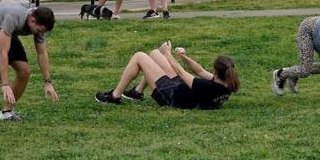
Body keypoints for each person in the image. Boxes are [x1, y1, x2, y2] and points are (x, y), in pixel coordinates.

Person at [0, 1, 58, 123]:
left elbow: (41, 53)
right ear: (33, 20)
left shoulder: (39, 24)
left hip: (8, 32)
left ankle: (6, 112)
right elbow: (3, 52)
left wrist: (48, 82)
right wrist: (6, 84)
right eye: (39, 30)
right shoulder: (13, 17)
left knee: (25, 71)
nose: (40, 33)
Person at [95, 41, 239, 110]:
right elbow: (200, 71)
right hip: (181, 89)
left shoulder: (206, 86)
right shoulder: (227, 84)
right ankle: (137, 92)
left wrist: (168, 54)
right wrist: (183, 57)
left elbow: (181, 73)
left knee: (140, 56)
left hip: (170, 95)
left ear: (215, 72)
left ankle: (115, 96)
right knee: (154, 54)